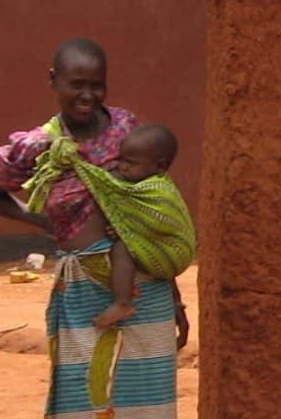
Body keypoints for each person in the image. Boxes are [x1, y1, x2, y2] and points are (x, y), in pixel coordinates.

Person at [0, 39, 193, 419]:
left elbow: (153, 210)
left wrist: (174, 297)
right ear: (53, 80)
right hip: (82, 297)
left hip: (142, 291)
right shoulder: (38, 146)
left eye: (97, 83)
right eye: (76, 83)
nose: (87, 94)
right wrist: (46, 225)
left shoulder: (127, 129)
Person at [82, 123, 198, 331]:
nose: (122, 166)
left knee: (122, 249)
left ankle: (123, 303)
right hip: (157, 248)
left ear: (160, 166)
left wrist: (127, 232)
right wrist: (126, 228)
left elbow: (161, 223)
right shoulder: (136, 185)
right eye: (121, 159)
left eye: (131, 163)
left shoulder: (157, 191)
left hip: (171, 252)